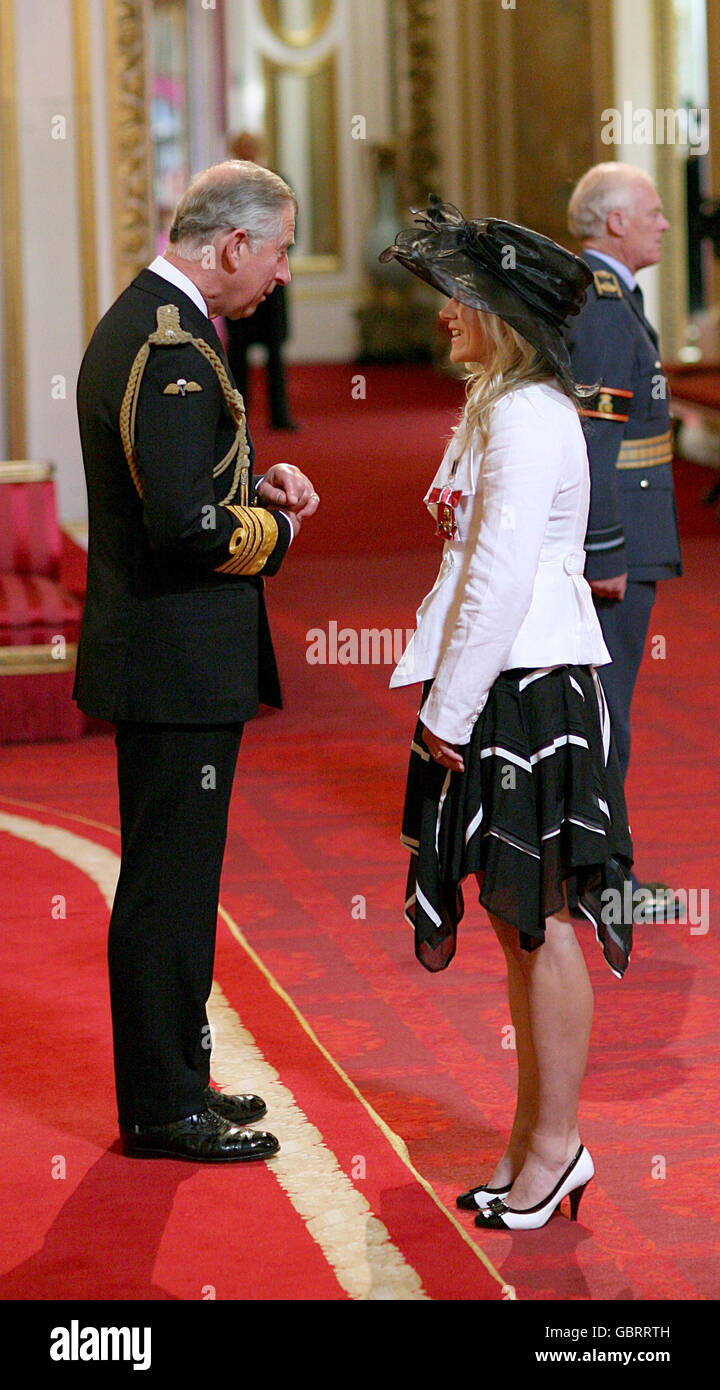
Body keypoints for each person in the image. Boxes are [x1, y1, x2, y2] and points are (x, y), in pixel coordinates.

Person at [382, 199, 634, 1231]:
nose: (443, 316)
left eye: (458, 300)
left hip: (524, 687)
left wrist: (447, 707)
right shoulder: (499, 402)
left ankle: (557, 1145)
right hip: (501, 681)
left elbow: (494, 576)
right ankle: (535, 1142)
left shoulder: (528, 415)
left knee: (543, 924)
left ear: (501, 314)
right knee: (514, 921)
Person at [74, 161, 319, 1162]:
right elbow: (184, 527)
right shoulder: (168, 345)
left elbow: (189, 474)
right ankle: (161, 1105)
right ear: (230, 247)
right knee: (169, 887)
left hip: (172, 657)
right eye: (280, 250)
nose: (283, 274)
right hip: (175, 659)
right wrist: (278, 530)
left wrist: (260, 480)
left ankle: (177, 1080)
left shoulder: (160, 324)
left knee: (175, 881)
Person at [567, 163, 682, 920]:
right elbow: (595, 439)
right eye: (653, 211)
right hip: (619, 544)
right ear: (613, 223)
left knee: (605, 708)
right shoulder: (606, 308)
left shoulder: (606, 295)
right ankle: (605, 884)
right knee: (608, 712)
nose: (666, 223)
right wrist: (605, 550)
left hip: (629, 535)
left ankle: (597, 870)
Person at [224, 132, 299, 431]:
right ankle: (237, 419)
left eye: (252, 149)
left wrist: (268, 259)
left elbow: (293, 230)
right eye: (243, 150)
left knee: (275, 354)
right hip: (238, 282)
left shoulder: (277, 186)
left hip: (272, 284)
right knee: (238, 355)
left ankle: (279, 415)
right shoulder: (225, 190)